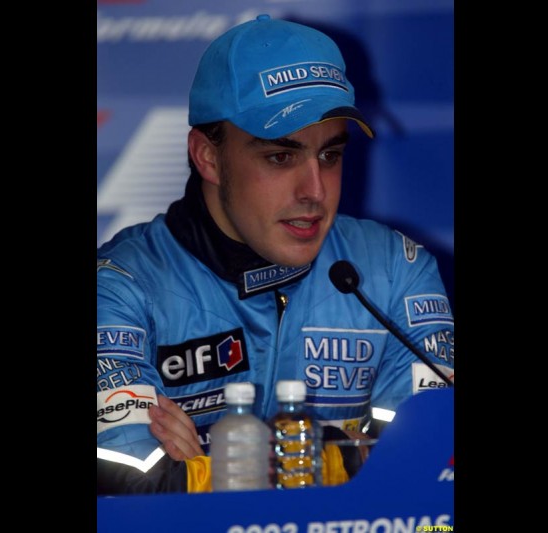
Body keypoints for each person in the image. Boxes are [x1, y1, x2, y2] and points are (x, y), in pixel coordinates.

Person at [96, 14, 454, 494]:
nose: (315, 191)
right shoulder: (120, 286)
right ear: (208, 157)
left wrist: (217, 464)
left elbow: (433, 469)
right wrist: (351, 456)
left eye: (330, 155)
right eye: (280, 157)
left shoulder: (395, 270)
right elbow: (127, 487)